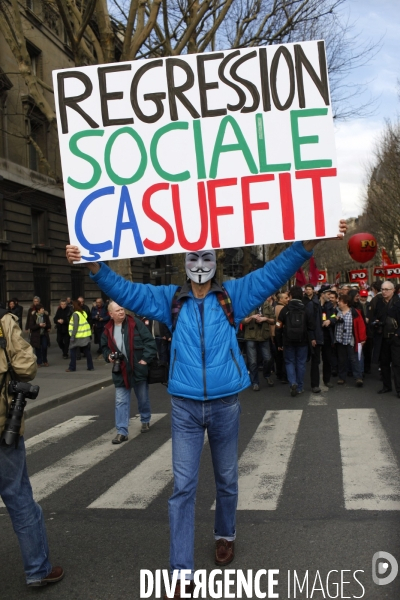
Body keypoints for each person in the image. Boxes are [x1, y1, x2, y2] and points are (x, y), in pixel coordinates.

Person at [66, 221, 346, 598]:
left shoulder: (234, 294)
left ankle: (225, 534)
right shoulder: (171, 299)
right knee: (182, 487)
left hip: (225, 403)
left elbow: (275, 271)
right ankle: (181, 572)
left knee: (227, 478)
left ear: (217, 260)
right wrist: (94, 267)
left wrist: (310, 241)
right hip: (183, 405)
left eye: (206, 257)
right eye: (193, 257)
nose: (200, 264)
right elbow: (128, 291)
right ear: (184, 261)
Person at [0, 303, 64, 587]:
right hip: (3, 430)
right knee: (18, 496)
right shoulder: (3, 324)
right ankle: (37, 569)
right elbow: (27, 367)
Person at [101, 302, 157, 442]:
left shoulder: (135, 323)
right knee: (120, 401)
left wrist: (145, 360)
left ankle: (145, 419)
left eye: (122, 309)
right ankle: (122, 431)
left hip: (138, 368)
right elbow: (104, 348)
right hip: (121, 370)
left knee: (143, 398)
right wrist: (108, 356)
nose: (121, 312)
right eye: (117, 310)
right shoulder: (108, 329)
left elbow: (150, 342)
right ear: (111, 314)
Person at [276, 286, 315, 396]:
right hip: (302, 341)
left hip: (288, 341)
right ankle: (300, 387)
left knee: (289, 362)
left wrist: (279, 342)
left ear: (291, 296)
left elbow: (278, 326)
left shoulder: (285, 309)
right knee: (301, 363)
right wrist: (312, 339)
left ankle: (292, 382)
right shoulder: (306, 309)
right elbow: (311, 326)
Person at [370, 280, 400, 397]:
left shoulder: (398, 302)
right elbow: (376, 316)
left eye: (386, 289)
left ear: (393, 290)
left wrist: (398, 334)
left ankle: (399, 389)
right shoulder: (379, 302)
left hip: (395, 338)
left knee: (397, 365)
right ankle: (386, 386)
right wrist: (376, 322)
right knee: (384, 363)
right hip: (382, 337)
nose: (384, 292)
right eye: (382, 289)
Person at [242, 299, 276, 390]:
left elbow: (273, 320)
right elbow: (242, 320)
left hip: (264, 335)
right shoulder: (248, 304)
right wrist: (252, 317)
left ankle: (267, 374)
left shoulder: (267, 305)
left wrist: (265, 319)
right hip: (250, 336)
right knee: (252, 361)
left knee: (268, 358)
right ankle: (255, 382)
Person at [335, 294, 366, 387]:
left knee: (354, 359)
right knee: (341, 360)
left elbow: (361, 326)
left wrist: (362, 339)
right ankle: (342, 377)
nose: (338, 303)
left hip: (351, 340)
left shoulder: (355, 313)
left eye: (340, 301)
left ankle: (358, 378)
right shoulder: (336, 312)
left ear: (346, 303)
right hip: (339, 340)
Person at [66, 300, 94, 372]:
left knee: (72, 351)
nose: (71, 307)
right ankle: (90, 366)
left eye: (72, 305)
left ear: (74, 306)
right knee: (87, 351)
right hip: (85, 335)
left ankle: (72, 367)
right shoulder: (82, 313)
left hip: (77, 336)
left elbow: (75, 326)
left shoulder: (75, 314)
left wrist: (72, 336)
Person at [272, 291, 289, 383]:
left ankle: (279, 373)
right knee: (283, 356)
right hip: (281, 333)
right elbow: (279, 323)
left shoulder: (274, 307)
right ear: (280, 299)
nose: (288, 299)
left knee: (278, 356)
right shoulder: (283, 309)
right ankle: (283, 375)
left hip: (275, 334)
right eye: (286, 298)